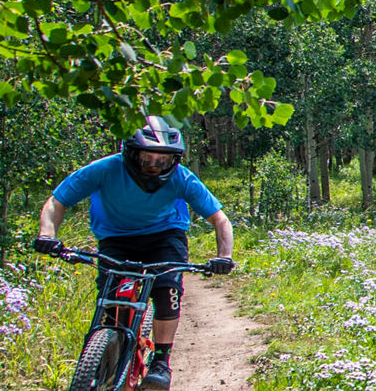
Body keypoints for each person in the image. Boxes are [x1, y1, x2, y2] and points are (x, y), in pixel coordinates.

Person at [35, 116, 236, 391]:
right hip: (116, 239)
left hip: (165, 236)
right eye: (146, 159)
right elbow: (57, 202)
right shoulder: (104, 169)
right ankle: (104, 353)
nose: (154, 166)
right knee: (111, 299)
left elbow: (220, 219)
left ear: (173, 161)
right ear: (130, 154)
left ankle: (161, 361)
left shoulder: (182, 177)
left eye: (163, 161)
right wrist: (48, 235)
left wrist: (224, 256)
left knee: (167, 289)